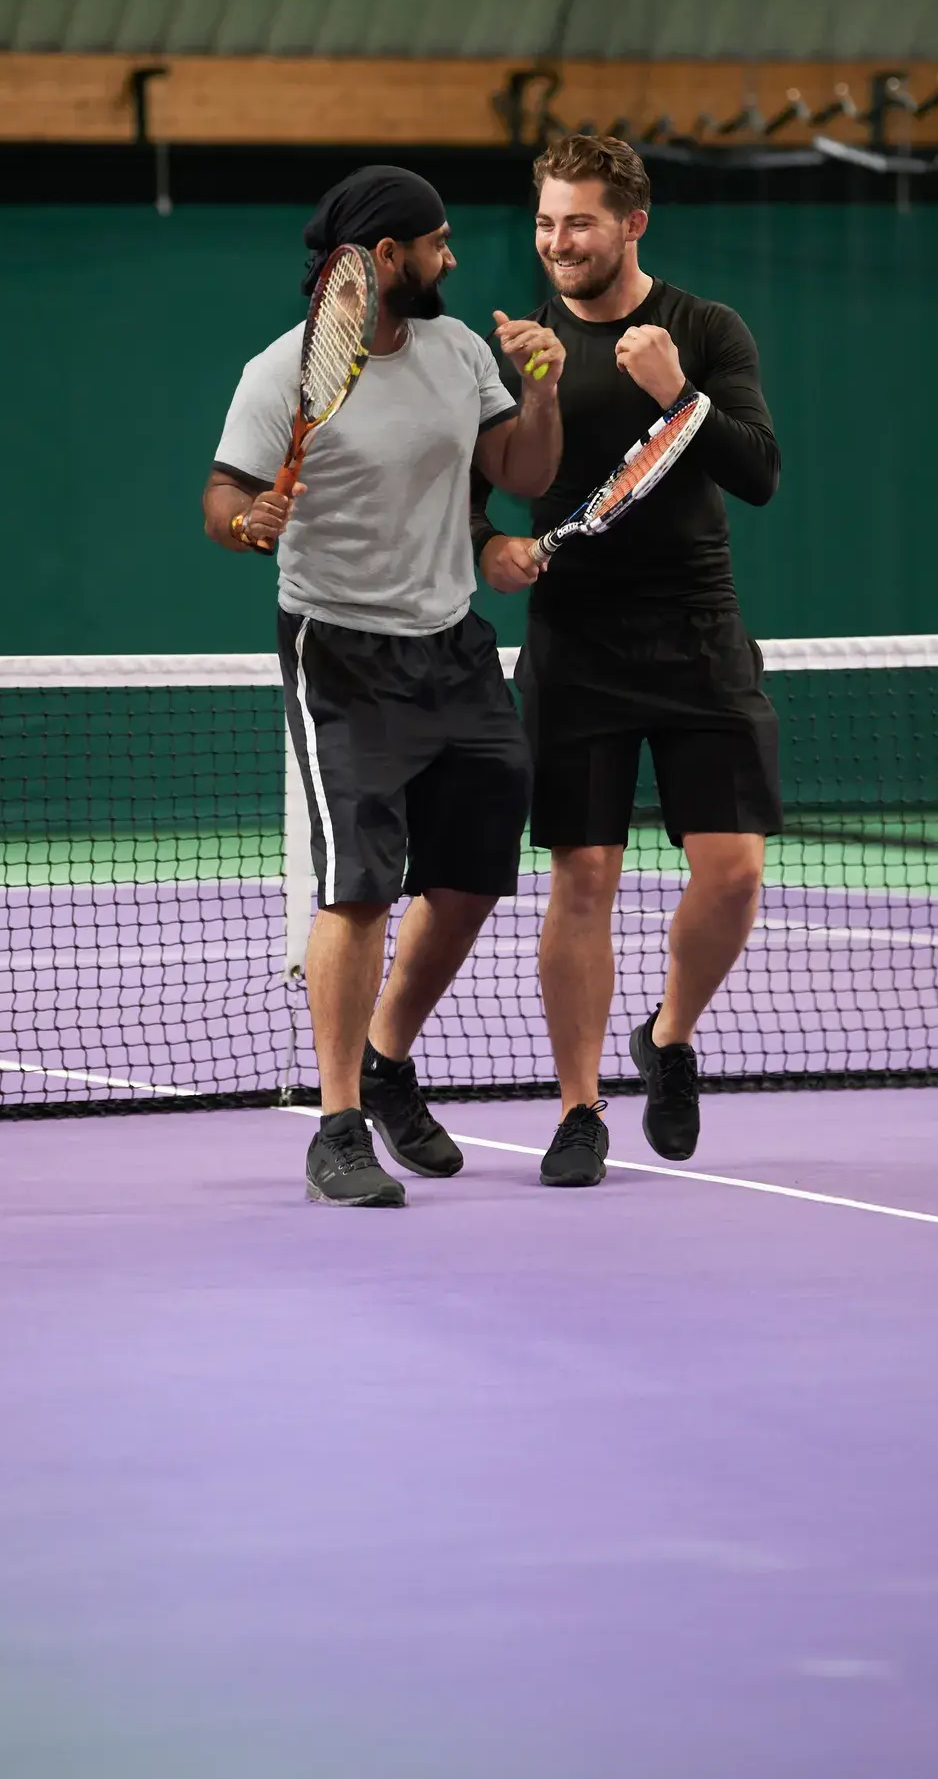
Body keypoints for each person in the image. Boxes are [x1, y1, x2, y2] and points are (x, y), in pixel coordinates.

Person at [204, 166, 564, 1207]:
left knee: (473, 877)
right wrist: (244, 522)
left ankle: (388, 1055)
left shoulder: (457, 351)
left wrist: (539, 387)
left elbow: (525, 472)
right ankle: (337, 1122)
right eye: (438, 241)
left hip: (452, 642)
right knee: (358, 884)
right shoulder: (281, 373)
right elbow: (223, 492)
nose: (453, 256)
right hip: (342, 651)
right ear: (385, 258)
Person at [473, 134, 781, 1187]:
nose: (558, 242)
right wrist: (488, 550)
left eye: (580, 223)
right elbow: (473, 486)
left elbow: (760, 474)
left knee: (734, 874)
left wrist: (678, 393)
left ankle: (670, 1034)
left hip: (698, 634)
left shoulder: (703, 329)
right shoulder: (520, 349)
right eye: (546, 223)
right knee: (584, 876)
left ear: (633, 223)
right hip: (575, 645)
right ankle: (577, 1107)